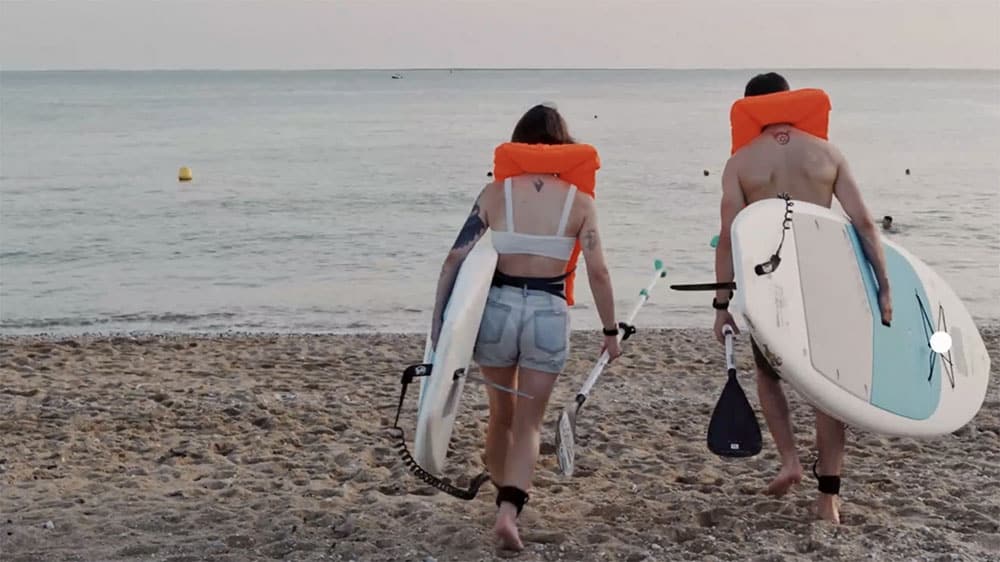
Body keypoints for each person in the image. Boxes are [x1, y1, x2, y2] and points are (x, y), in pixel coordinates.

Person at [429, 104, 621, 551]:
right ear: (565, 145)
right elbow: (599, 273)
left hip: (496, 310)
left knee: (501, 415)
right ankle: (509, 510)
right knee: (531, 424)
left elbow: (454, 259)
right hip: (547, 311)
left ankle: (502, 495)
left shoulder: (495, 194)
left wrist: (439, 325)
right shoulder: (580, 202)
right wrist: (610, 332)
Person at [712, 72, 893, 524]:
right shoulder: (827, 153)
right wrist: (884, 287)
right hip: (821, 281)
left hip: (767, 287)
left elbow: (726, 239)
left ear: (750, 110)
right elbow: (866, 225)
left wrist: (721, 305)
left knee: (767, 375)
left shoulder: (740, 163)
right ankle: (828, 498)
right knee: (827, 389)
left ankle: (790, 460)